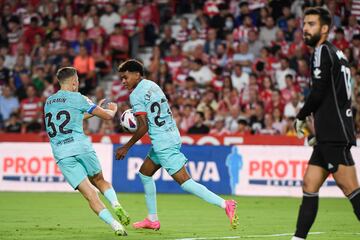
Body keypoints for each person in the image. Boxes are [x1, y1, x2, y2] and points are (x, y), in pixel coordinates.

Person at [115, 59, 238, 230]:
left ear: (137, 74)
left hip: (162, 142)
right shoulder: (153, 85)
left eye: (126, 77)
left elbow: (143, 126)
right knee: (144, 173)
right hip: (171, 134)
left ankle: (225, 204)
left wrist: (126, 147)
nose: (123, 81)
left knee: (185, 182)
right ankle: (152, 219)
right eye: (121, 78)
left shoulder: (135, 95)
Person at [292, 7, 360, 240]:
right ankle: (298, 238)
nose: (305, 28)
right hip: (333, 131)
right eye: (304, 24)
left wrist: (301, 115)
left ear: (324, 28)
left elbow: (319, 92)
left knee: (350, 188)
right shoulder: (338, 54)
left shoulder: (322, 51)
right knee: (310, 184)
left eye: (311, 24)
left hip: (333, 132)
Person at [44, 67, 129, 236]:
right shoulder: (79, 98)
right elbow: (107, 116)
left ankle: (115, 226)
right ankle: (116, 204)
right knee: (99, 179)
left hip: (62, 153)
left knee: (90, 195)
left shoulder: (49, 102)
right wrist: (112, 109)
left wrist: (92, 109)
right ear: (74, 81)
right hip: (81, 147)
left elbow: (73, 117)